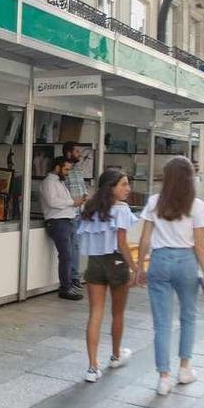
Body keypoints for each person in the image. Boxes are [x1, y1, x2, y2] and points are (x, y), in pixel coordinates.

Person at [138, 157, 204, 396]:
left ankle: (163, 377)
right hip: (185, 261)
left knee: (161, 322)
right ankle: (184, 368)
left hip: (159, 260)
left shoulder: (153, 202)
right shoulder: (197, 205)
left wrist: (139, 267)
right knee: (188, 317)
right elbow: (200, 245)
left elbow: (145, 239)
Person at [76, 170, 139, 382]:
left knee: (95, 313)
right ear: (111, 187)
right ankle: (115, 354)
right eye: (123, 184)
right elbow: (122, 243)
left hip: (94, 264)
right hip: (117, 262)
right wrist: (135, 267)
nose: (128, 188)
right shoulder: (122, 209)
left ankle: (92, 367)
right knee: (118, 312)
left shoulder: (90, 208)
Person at [40, 156, 86, 301]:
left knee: (70, 254)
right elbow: (53, 201)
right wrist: (73, 202)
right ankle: (65, 288)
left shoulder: (59, 182)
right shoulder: (48, 182)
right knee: (66, 255)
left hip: (67, 220)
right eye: (66, 169)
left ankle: (69, 284)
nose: (67, 172)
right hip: (57, 221)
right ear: (57, 167)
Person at [63, 142, 88, 290]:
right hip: (69, 213)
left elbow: (83, 189)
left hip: (80, 213)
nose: (79, 154)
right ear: (68, 153)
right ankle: (71, 278)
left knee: (76, 246)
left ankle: (74, 276)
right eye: (77, 151)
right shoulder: (64, 170)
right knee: (71, 247)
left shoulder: (78, 169)